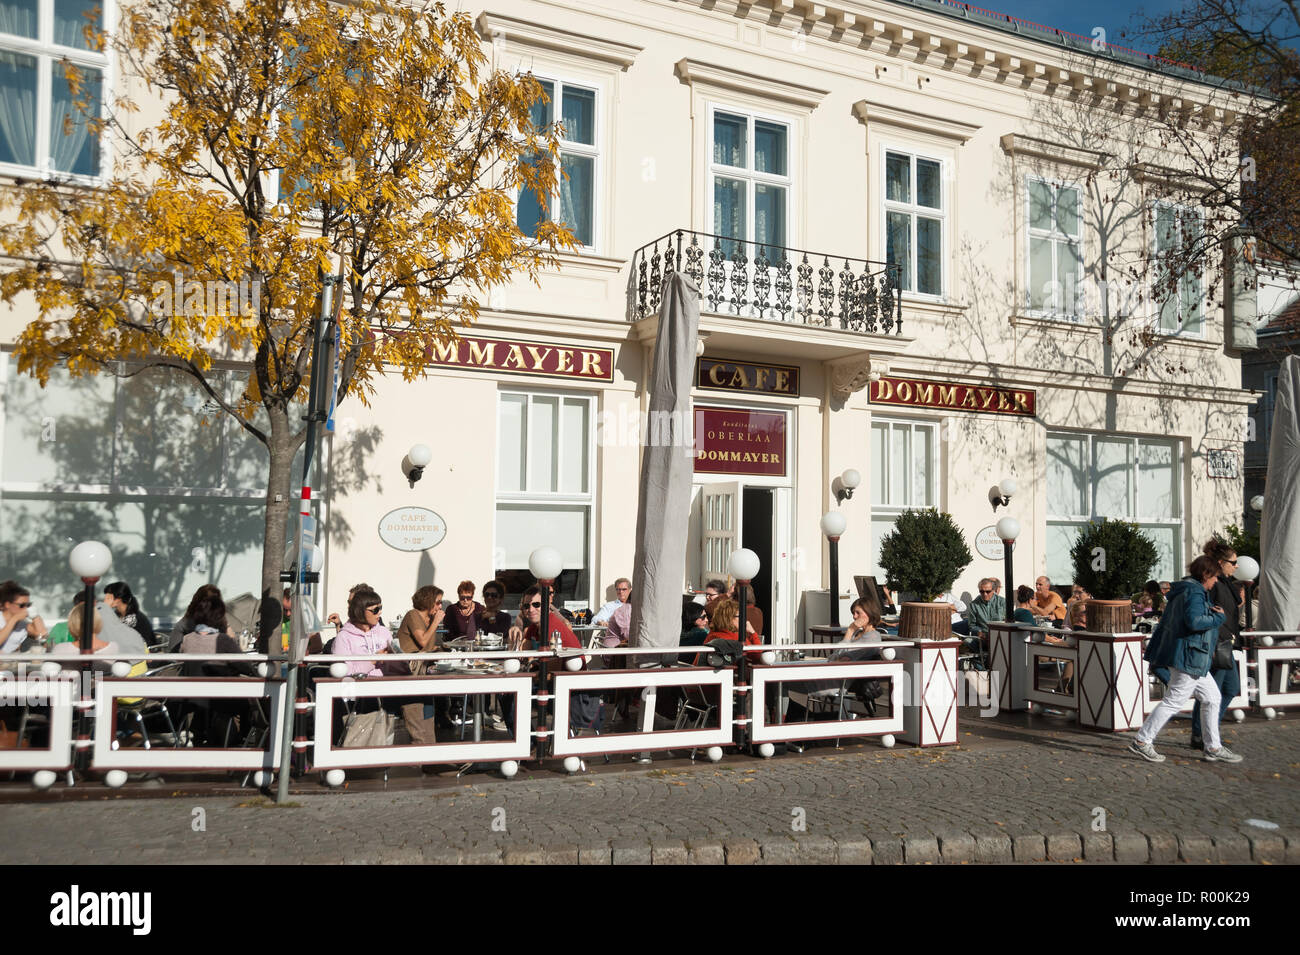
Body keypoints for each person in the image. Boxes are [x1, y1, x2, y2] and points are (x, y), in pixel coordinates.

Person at [1129, 555, 1242, 764]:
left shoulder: (1185, 591)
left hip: (1188, 654)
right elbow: (1194, 621)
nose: (1215, 581)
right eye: (1214, 577)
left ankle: (1213, 747)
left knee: (1212, 698)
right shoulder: (1195, 592)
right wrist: (1218, 617)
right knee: (1174, 700)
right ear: (1206, 574)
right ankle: (1142, 741)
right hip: (1190, 655)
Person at [1191, 540, 1243, 751]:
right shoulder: (1215, 584)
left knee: (1230, 688)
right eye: (1234, 562)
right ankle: (1202, 734)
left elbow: (1231, 610)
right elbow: (1210, 612)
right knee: (1211, 693)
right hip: (1217, 644)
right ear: (1221, 563)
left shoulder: (1226, 584)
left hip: (1226, 643)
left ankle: (1208, 731)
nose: (1237, 565)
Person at [333, 589, 392, 678]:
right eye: (375, 610)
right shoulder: (343, 637)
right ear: (360, 611)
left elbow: (399, 669)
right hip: (358, 688)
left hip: (388, 685)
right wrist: (374, 660)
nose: (380, 612)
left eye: (380, 608)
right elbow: (345, 673)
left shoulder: (384, 632)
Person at [103, 581, 155, 647]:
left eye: (108, 598)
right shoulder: (118, 615)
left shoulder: (132, 618)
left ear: (117, 600)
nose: (104, 601)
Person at [1, 581, 48, 653]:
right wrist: (14, 619)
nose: (26, 608)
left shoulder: (22, 624)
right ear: (7, 605)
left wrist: (34, 615)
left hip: (11, 662)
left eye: (28, 605)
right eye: (22, 605)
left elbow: (42, 635)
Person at [965, 578, 1006, 642]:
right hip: (983, 637)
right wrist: (979, 632)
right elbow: (972, 625)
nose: (985, 594)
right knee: (968, 641)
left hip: (1000, 636)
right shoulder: (974, 604)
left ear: (993, 590)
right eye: (982, 591)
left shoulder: (1002, 602)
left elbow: (1008, 621)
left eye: (988, 591)